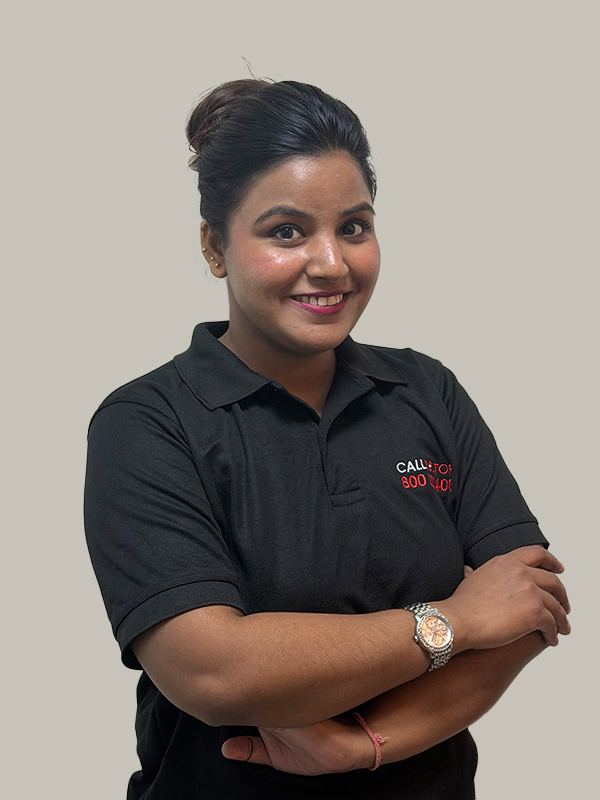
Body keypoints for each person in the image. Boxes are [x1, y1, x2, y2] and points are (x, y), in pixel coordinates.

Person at [83, 79, 570, 800]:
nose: (332, 264)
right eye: (286, 232)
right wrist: (455, 621)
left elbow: (530, 607)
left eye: (354, 227)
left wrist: (363, 746)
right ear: (214, 247)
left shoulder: (426, 391)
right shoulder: (149, 421)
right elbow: (214, 671)